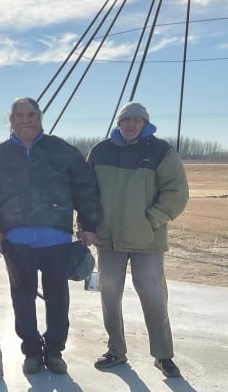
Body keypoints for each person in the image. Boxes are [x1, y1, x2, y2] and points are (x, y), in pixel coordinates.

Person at [0, 97, 102, 375]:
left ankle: (54, 351)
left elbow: (85, 187)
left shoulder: (62, 150)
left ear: (40, 117)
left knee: (58, 299)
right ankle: (32, 352)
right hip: (16, 240)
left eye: (31, 114)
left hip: (56, 241)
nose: (26, 119)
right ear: (11, 121)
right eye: (19, 115)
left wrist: (88, 224)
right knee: (22, 299)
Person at [86, 102, 189, 378]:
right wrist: (86, 225)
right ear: (119, 122)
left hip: (147, 241)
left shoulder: (160, 151)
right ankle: (116, 351)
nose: (130, 124)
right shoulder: (100, 151)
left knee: (154, 297)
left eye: (136, 120)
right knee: (109, 298)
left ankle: (163, 355)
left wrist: (151, 220)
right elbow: (88, 193)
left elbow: (176, 193)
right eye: (126, 119)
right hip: (108, 241)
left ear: (145, 123)